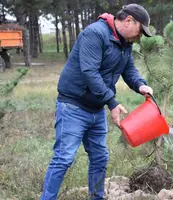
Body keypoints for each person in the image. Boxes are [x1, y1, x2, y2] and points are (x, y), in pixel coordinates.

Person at [40, 4, 153, 200]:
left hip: (96, 108)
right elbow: (89, 73)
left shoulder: (125, 44)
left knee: (100, 158)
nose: (140, 36)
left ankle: (96, 197)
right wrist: (112, 102)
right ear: (129, 21)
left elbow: (129, 71)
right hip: (73, 106)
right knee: (64, 158)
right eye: (140, 30)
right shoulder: (94, 34)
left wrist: (141, 85)